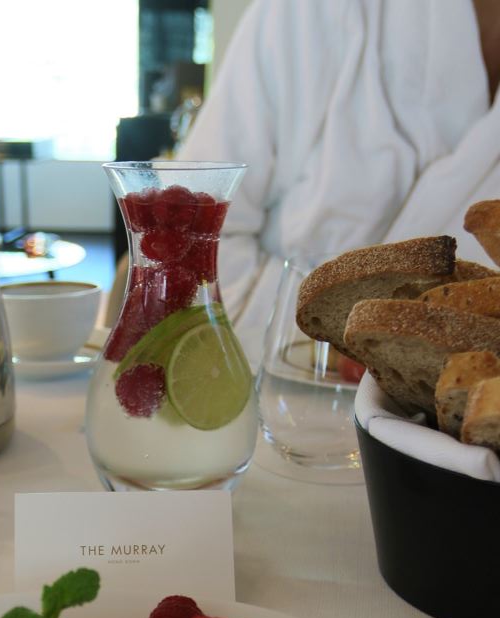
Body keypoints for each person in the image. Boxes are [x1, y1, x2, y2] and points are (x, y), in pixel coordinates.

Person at [178, 0, 500, 365]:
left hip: (438, 416)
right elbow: (191, 226)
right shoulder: (315, 12)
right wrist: (323, 345)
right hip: (258, 379)